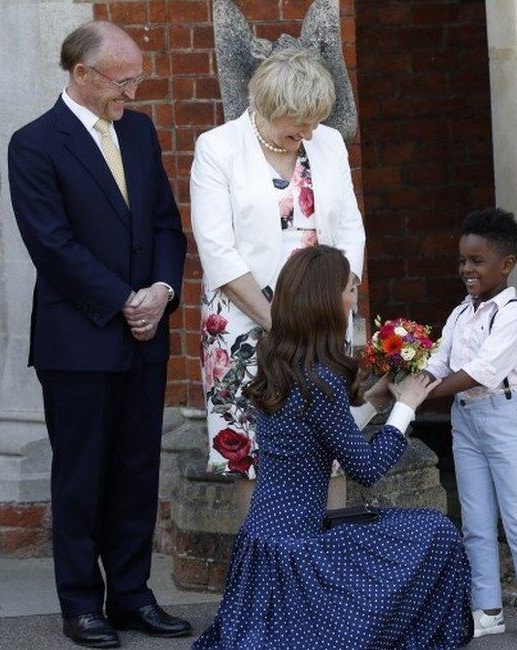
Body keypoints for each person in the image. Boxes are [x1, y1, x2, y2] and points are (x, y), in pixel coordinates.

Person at [7, 21, 189, 647]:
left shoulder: (137, 132)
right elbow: (52, 245)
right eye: (122, 80)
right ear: (82, 74)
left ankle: (132, 597)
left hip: (146, 333)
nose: (132, 93)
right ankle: (80, 604)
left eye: (136, 79)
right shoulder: (33, 144)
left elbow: (166, 224)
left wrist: (161, 293)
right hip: (79, 340)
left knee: (137, 469)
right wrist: (123, 301)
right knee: (82, 474)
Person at [193, 245, 473, 649]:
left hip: (263, 546)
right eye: (349, 289)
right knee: (436, 531)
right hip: (300, 549)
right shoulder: (319, 380)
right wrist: (407, 406)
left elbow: (317, 434)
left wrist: (377, 399)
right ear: (325, 300)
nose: (353, 299)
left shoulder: (278, 359)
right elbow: (368, 469)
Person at [190, 47, 366, 479]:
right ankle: (262, 547)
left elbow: (349, 229)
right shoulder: (217, 148)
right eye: (300, 122)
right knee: (250, 454)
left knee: (329, 452)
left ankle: (324, 548)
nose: (309, 132)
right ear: (270, 108)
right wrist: (281, 324)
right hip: (245, 320)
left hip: (323, 322)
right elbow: (216, 248)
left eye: (316, 120)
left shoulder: (326, 143)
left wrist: (340, 302)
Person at [424, 208, 517, 644]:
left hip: (506, 416)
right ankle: (488, 609)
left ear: (507, 264)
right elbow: (439, 360)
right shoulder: (460, 314)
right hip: (466, 420)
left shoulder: (514, 315)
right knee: (476, 520)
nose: (467, 269)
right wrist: (404, 376)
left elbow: (483, 370)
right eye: (463, 260)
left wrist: (425, 395)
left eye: (477, 261)